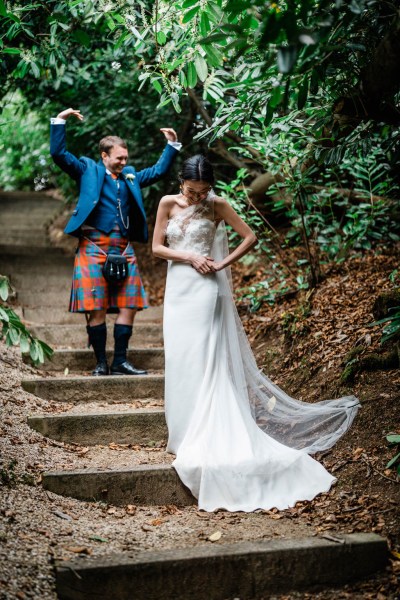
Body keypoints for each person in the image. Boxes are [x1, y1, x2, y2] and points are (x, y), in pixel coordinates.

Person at [152, 154, 360, 512]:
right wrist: (189, 257)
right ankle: (182, 433)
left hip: (204, 291)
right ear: (181, 184)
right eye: (192, 191)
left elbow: (251, 236)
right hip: (177, 291)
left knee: (204, 360)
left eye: (204, 191)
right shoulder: (167, 203)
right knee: (181, 357)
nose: (199, 197)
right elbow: (156, 247)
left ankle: (206, 432)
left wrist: (220, 263)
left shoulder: (218, 205)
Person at [50, 108, 181, 376]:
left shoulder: (130, 176)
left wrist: (171, 145)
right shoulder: (87, 169)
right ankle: (101, 363)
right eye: (119, 158)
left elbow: (157, 172)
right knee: (95, 307)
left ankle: (120, 361)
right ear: (104, 156)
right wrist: (60, 121)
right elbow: (59, 155)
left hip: (123, 247)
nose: (123, 162)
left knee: (129, 305)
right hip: (93, 245)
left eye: (125, 158)